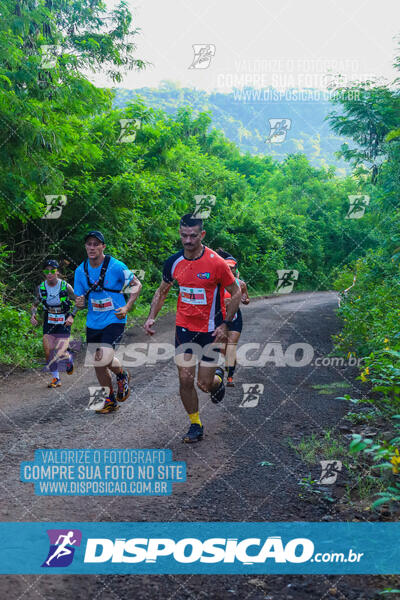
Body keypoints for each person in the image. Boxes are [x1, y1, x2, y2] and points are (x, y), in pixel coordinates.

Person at [144, 214, 241, 443]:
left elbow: (235, 292)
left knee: (204, 384)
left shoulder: (216, 263)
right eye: (184, 235)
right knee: (185, 380)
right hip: (184, 329)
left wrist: (225, 323)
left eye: (193, 236)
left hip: (211, 331)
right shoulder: (173, 262)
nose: (188, 240)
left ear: (202, 235)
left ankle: (217, 380)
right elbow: (162, 291)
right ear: (180, 233)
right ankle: (195, 423)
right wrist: (150, 317)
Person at [74, 231, 142, 414]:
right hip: (93, 321)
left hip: (115, 317)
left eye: (96, 244)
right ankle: (113, 392)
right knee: (99, 362)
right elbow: (80, 301)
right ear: (85, 247)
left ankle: (116, 384)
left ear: (103, 246)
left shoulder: (116, 266)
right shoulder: (80, 271)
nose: (92, 247)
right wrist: (79, 303)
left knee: (101, 357)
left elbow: (137, 285)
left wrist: (127, 307)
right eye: (89, 244)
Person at [30, 260, 75, 388]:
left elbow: (79, 302)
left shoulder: (65, 286)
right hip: (49, 319)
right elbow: (35, 304)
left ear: (57, 272)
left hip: (64, 319)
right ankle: (56, 378)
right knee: (48, 350)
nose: (49, 273)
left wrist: (72, 316)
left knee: (60, 351)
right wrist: (33, 314)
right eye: (46, 271)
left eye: (52, 270)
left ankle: (68, 358)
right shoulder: (41, 287)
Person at [216, 249, 250, 387]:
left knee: (231, 347)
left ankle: (230, 377)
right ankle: (226, 368)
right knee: (223, 349)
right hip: (221, 319)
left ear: (236, 269)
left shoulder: (241, 284)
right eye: (227, 267)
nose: (230, 269)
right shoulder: (217, 283)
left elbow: (246, 299)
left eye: (232, 268)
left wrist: (245, 299)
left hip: (235, 318)